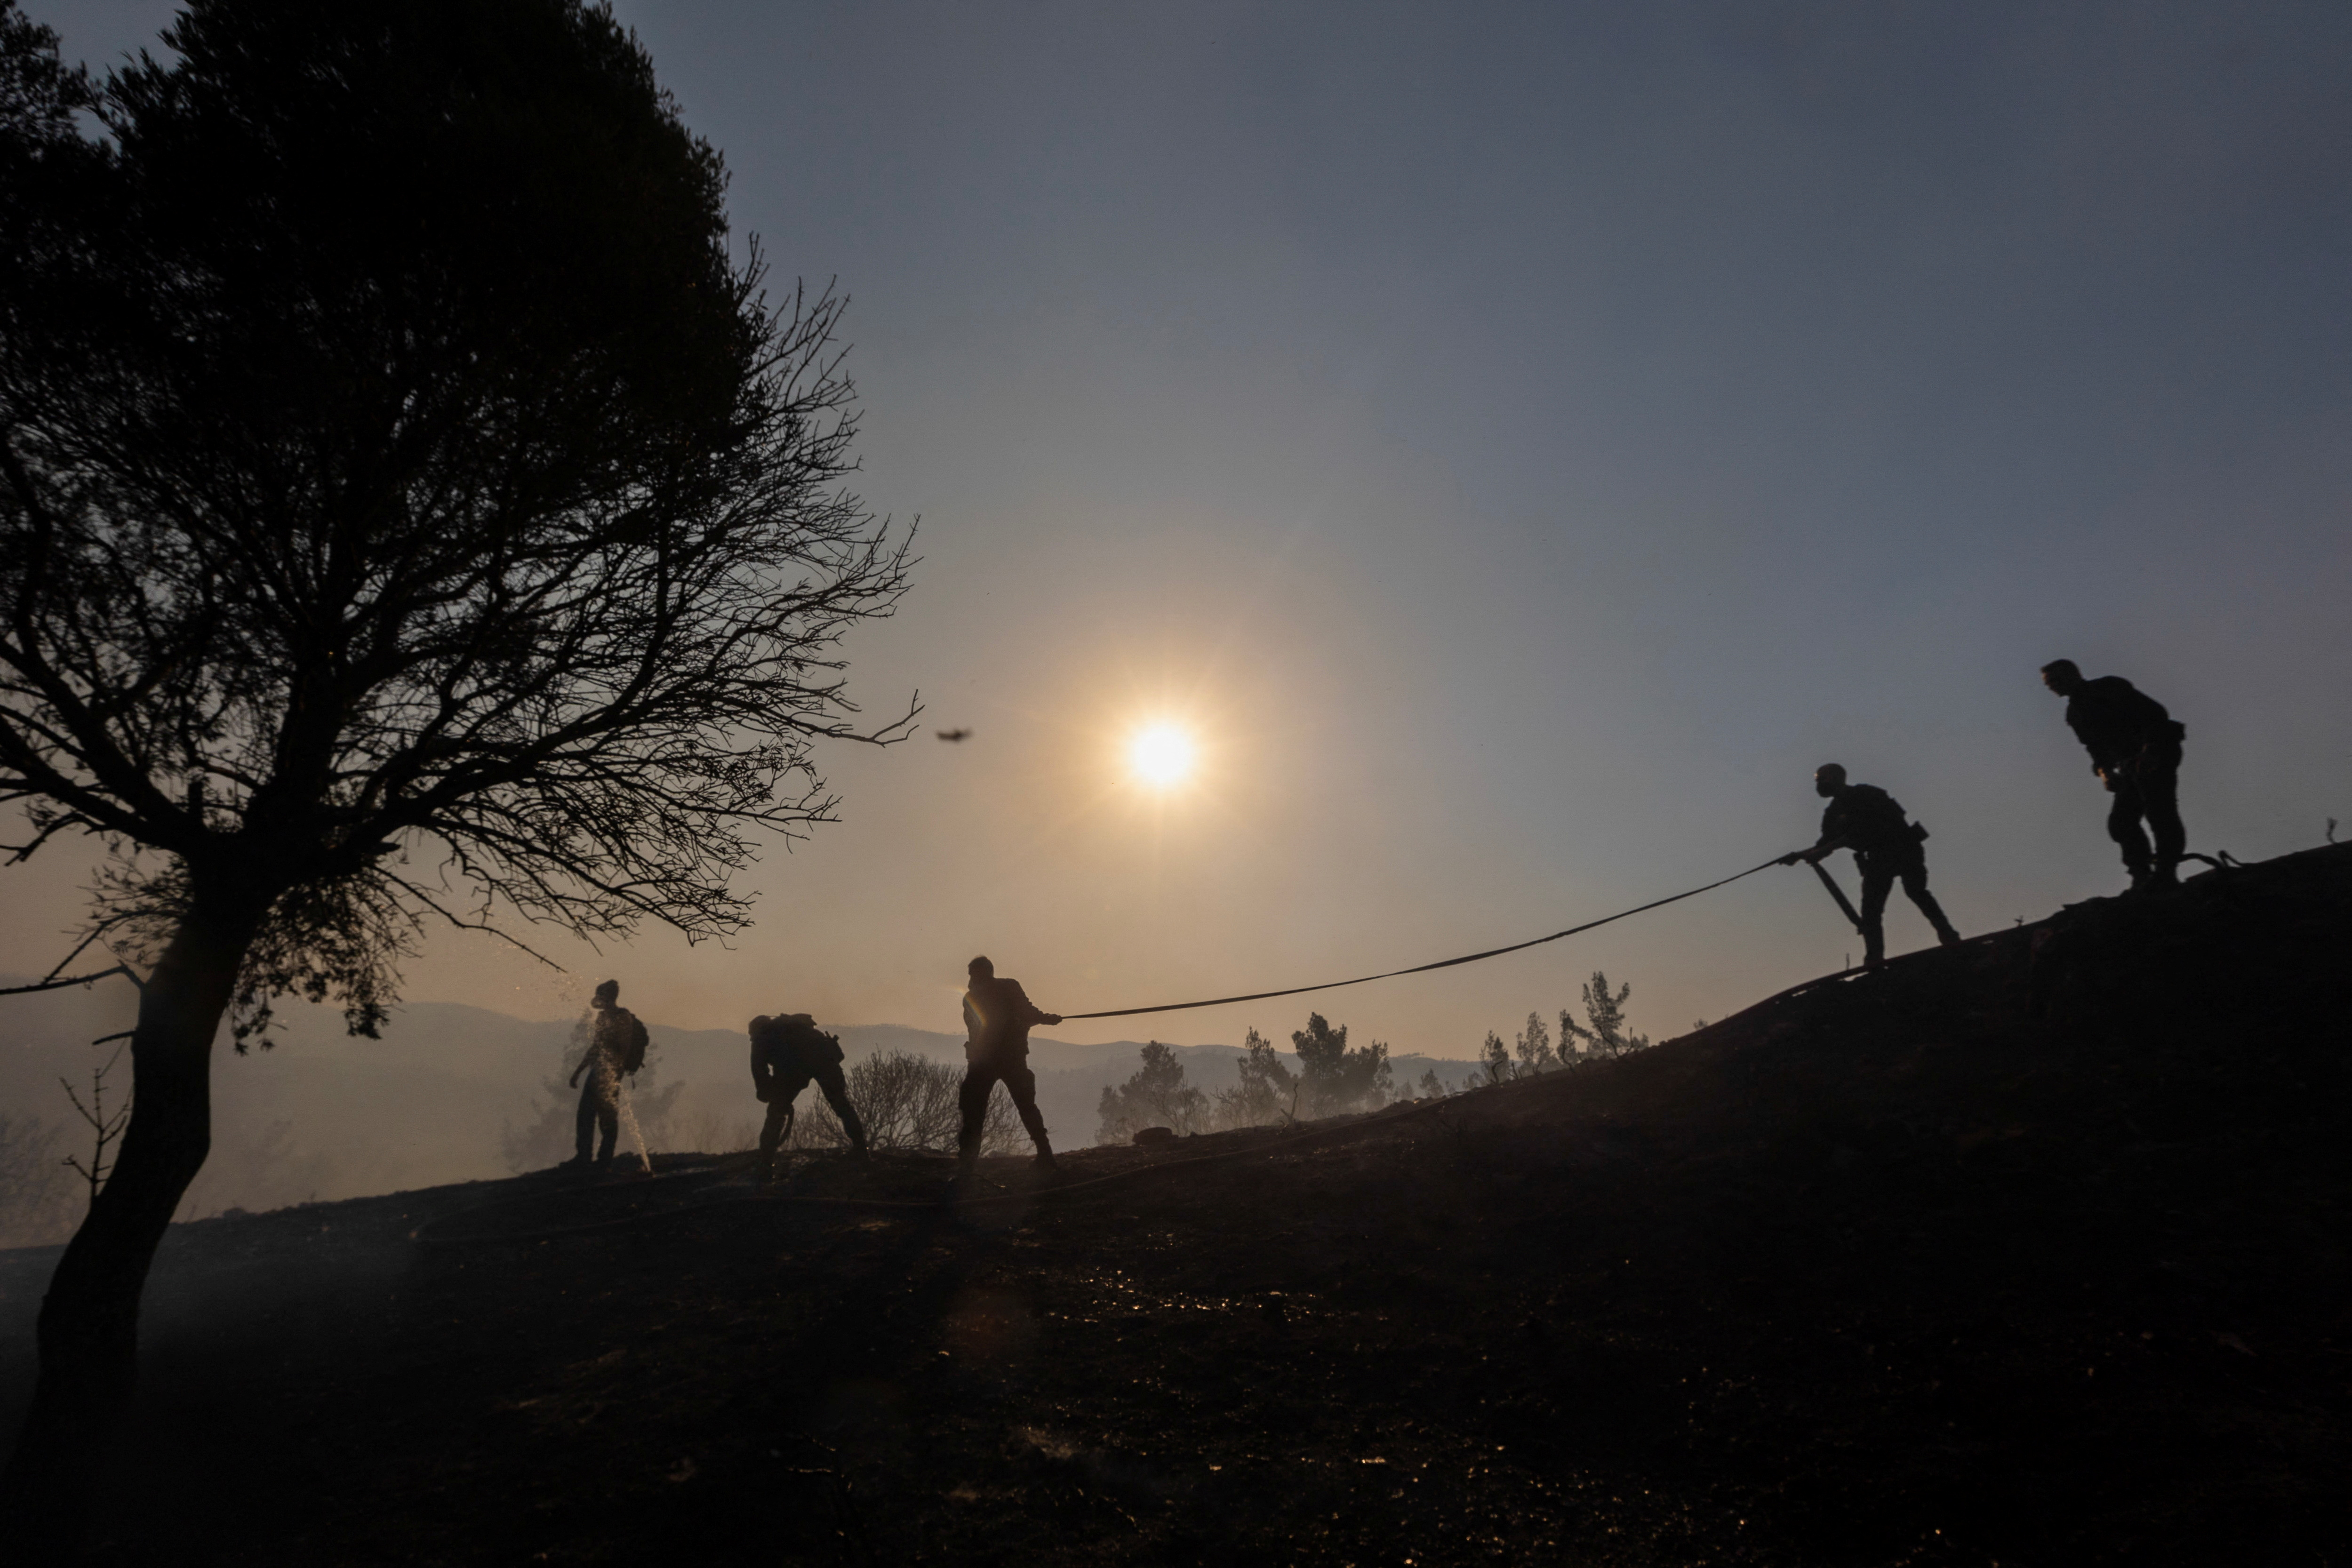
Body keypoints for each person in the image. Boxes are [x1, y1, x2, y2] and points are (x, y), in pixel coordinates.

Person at [1779, 764, 1962, 969]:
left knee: (1917, 892)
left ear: (1838, 777)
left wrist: (1827, 848)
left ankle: (1949, 937)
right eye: (1818, 780)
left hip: (1903, 848)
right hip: (1877, 858)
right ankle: (1874, 959)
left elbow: (1870, 828)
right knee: (1871, 910)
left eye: (1823, 778)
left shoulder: (1867, 794)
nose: (1819, 784)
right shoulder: (1833, 812)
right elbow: (1825, 844)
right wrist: (1800, 855)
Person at [2040, 659, 2188, 890]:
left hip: (2159, 750)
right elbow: (2096, 750)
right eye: (2049, 684)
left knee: (2159, 811)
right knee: (2121, 823)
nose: (2052, 687)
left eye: (2056, 680)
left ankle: (2166, 873)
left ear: (2073, 675)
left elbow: (2155, 715)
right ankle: (2142, 876)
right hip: (2130, 764)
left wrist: (2150, 750)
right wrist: (2105, 773)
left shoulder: (2108, 687)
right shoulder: (2075, 714)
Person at [957, 955, 1062, 1181]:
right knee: (1026, 1107)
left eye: (972, 975)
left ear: (977, 974)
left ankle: (966, 1166)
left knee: (974, 1113)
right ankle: (1046, 1156)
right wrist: (1046, 1019)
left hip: (983, 1061)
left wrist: (1042, 1019)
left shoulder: (971, 998)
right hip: (1011, 1058)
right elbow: (1026, 1013)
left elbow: (976, 1029)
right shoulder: (1008, 987)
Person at [748, 1012, 868, 1177]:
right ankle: (861, 1149)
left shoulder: (762, 1037)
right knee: (842, 1105)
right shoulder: (799, 1030)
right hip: (823, 1062)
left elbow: (758, 1069)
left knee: (776, 1113)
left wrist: (766, 1093)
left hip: (793, 1069)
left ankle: (766, 1163)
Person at [568, 979, 648, 1168]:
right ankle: (584, 1157)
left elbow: (622, 1048)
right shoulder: (603, 1018)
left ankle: (605, 1159)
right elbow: (596, 1047)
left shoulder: (623, 1018)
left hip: (611, 1072)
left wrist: (613, 1072)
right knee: (585, 1114)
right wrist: (578, 1072)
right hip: (597, 1070)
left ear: (609, 998)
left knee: (607, 1116)